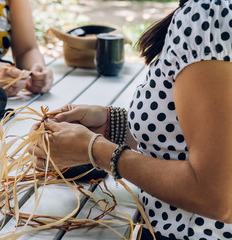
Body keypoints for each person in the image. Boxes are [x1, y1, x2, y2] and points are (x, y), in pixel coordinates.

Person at [28, 0, 232, 238]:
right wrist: (114, 125)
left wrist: (97, 151)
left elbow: (218, 197)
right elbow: (205, 135)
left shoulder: (210, 15)